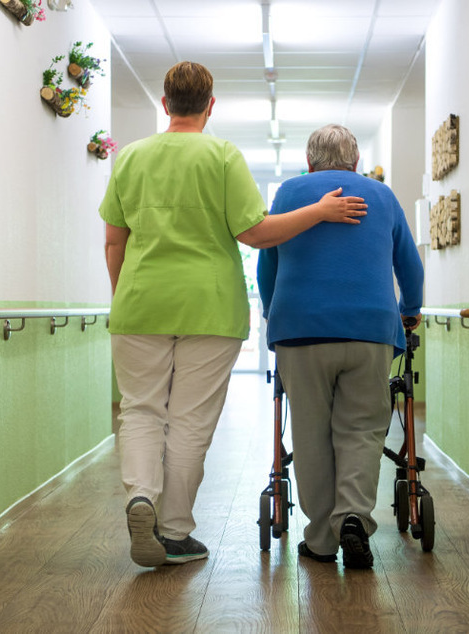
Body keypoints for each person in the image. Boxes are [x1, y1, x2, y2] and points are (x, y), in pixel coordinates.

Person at [100, 63, 368, 568]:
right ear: (210, 105)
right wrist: (319, 212)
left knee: (140, 409)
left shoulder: (131, 157)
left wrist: (126, 298)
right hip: (210, 306)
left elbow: (115, 241)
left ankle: (141, 497)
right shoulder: (221, 154)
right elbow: (255, 232)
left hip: (138, 304)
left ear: (165, 103)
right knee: (190, 422)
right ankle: (174, 531)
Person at [257, 124, 423, 569]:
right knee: (363, 430)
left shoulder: (290, 192)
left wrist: (274, 313)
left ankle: (320, 541)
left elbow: (266, 263)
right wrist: (412, 309)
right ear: (356, 164)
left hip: (300, 331)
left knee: (310, 434)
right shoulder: (381, 195)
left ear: (309, 163)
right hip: (370, 330)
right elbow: (409, 264)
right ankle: (353, 516)